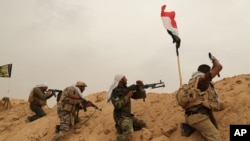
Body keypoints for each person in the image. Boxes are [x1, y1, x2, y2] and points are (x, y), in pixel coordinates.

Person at [184, 55, 223, 141]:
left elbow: (213, 70)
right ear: (207, 73)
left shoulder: (194, 80)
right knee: (217, 139)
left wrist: (213, 64)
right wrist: (214, 59)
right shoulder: (202, 79)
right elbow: (219, 67)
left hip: (192, 115)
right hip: (199, 116)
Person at [107, 74, 147, 141]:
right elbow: (117, 105)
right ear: (121, 80)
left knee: (143, 125)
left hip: (128, 116)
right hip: (120, 117)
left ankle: (123, 129)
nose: (127, 79)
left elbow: (138, 96)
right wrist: (127, 96)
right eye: (125, 78)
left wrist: (141, 88)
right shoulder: (114, 92)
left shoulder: (126, 90)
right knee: (129, 135)